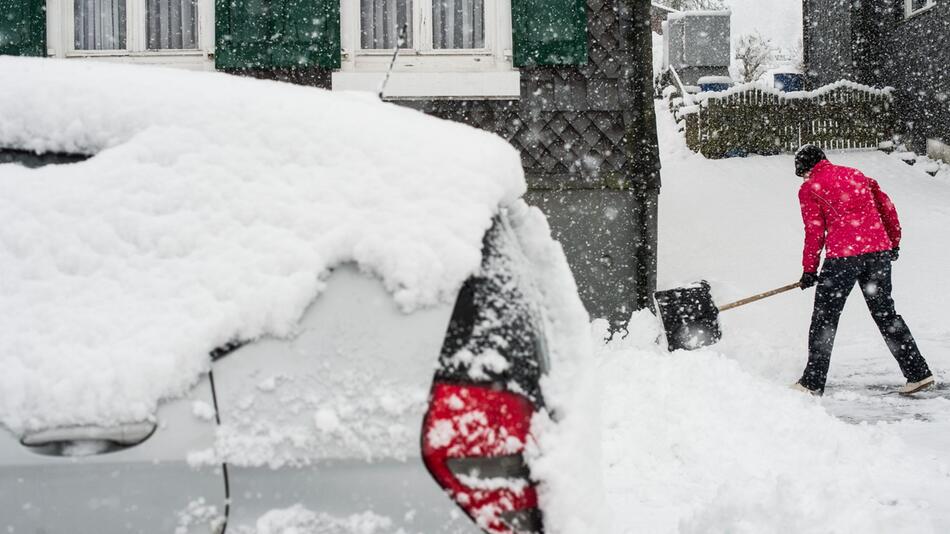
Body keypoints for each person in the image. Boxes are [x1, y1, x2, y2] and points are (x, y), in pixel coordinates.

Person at [791, 144, 935, 396]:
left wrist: (809, 270)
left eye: (803, 173)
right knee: (886, 314)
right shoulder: (856, 174)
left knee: (825, 319)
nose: (804, 178)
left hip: (842, 259)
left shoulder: (810, 188)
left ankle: (812, 382)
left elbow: (814, 231)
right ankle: (918, 373)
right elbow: (886, 207)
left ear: (808, 168)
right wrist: (892, 242)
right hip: (877, 252)